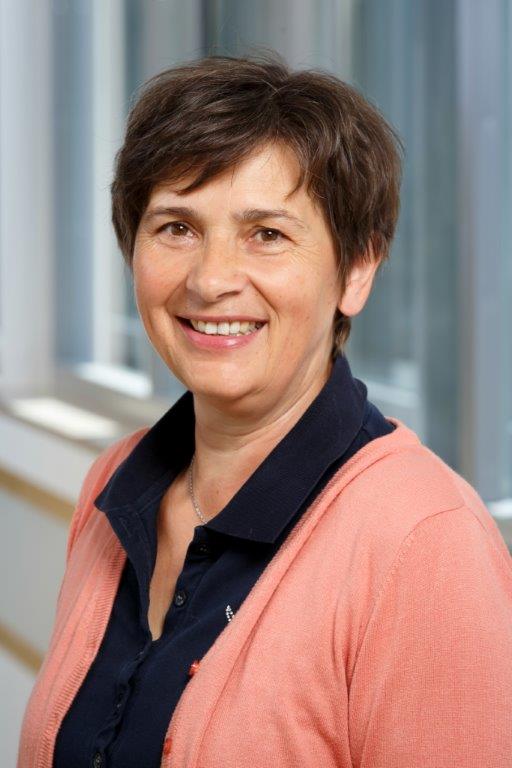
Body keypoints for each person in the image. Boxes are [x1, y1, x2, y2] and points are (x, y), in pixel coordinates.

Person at [17, 51, 512, 768]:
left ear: (357, 269)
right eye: (177, 227)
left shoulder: (425, 547)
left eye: (268, 235)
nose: (211, 279)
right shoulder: (112, 484)